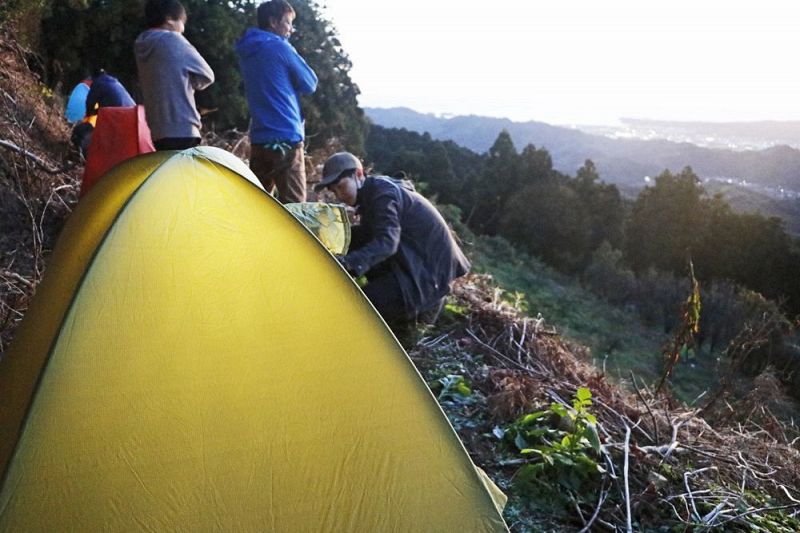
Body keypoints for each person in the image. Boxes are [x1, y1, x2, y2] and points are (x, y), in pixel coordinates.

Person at [315, 152, 471, 325]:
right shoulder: (374, 192)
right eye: (334, 191)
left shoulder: (383, 195)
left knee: (352, 310)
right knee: (352, 238)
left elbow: (387, 243)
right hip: (412, 265)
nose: (339, 195)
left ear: (358, 175)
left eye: (341, 186)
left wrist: (346, 264)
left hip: (424, 278)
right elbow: (366, 235)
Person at [235, 0, 318, 203]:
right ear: (273, 22)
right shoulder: (280, 47)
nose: (290, 29)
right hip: (286, 137)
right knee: (296, 209)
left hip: (260, 138)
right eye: (288, 22)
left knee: (258, 205)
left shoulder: (246, 50)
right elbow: (310, 83)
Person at [134, 0, 214, 151]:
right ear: (170, 19)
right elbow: (207, 74)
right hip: (183, 126)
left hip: (157, 130)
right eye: (182, 22)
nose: (182, 29)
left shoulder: (141, 45)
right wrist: (190, 82)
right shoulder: (174, 40)